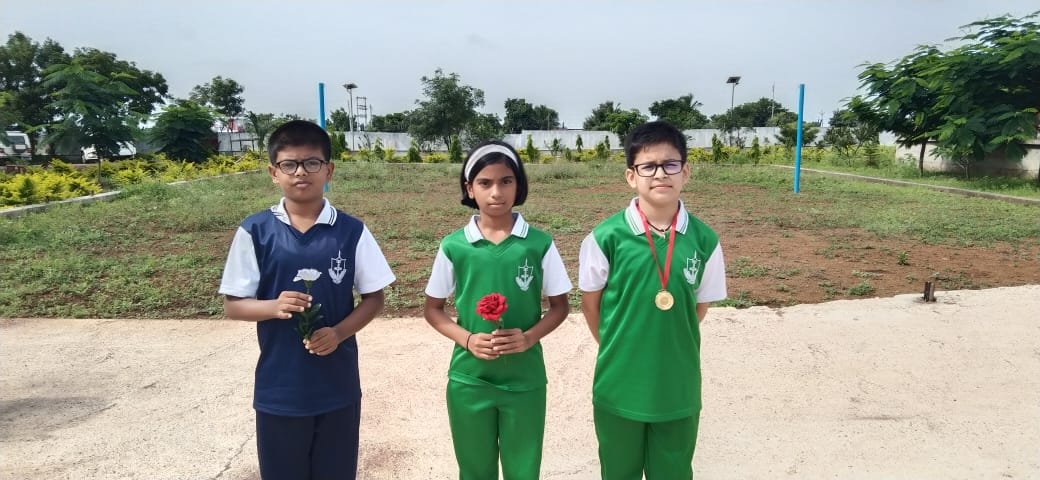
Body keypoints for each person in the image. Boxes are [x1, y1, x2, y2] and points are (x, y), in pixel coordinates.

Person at [219, 120, 396, 479]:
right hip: (279, 389)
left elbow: (375, 298)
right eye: (289, 164)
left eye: (312, 163)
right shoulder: (255, 231)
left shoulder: (351, 231)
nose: (301, 172)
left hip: (337, 387)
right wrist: (273, 306)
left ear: (329, 170)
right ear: (274, 172)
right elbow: (233, 305)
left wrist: (339, 333)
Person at [578, 121, 727, 479]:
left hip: (677, 386)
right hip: (618, 383)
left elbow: (699, 307)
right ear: (631, 176)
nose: (660, 174)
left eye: (670, 164)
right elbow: (590, 305)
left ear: (685, 172)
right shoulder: (605, 238)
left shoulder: (705, 240)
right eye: (648, 166)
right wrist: (618, 345)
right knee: (619, 471)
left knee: (673, 471)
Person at [424, 140, 572, 480]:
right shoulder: (455, 246)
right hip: (469, 379)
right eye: (485, 183)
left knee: (524, 470)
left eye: (506, 181)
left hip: (525, 379)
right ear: (469, 189)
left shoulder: (538, 244)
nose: (496, 192)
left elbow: (560, 306)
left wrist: (529, 337)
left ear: (518, 185)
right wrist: (467, 339)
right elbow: (433, 309)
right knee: (475, 470)